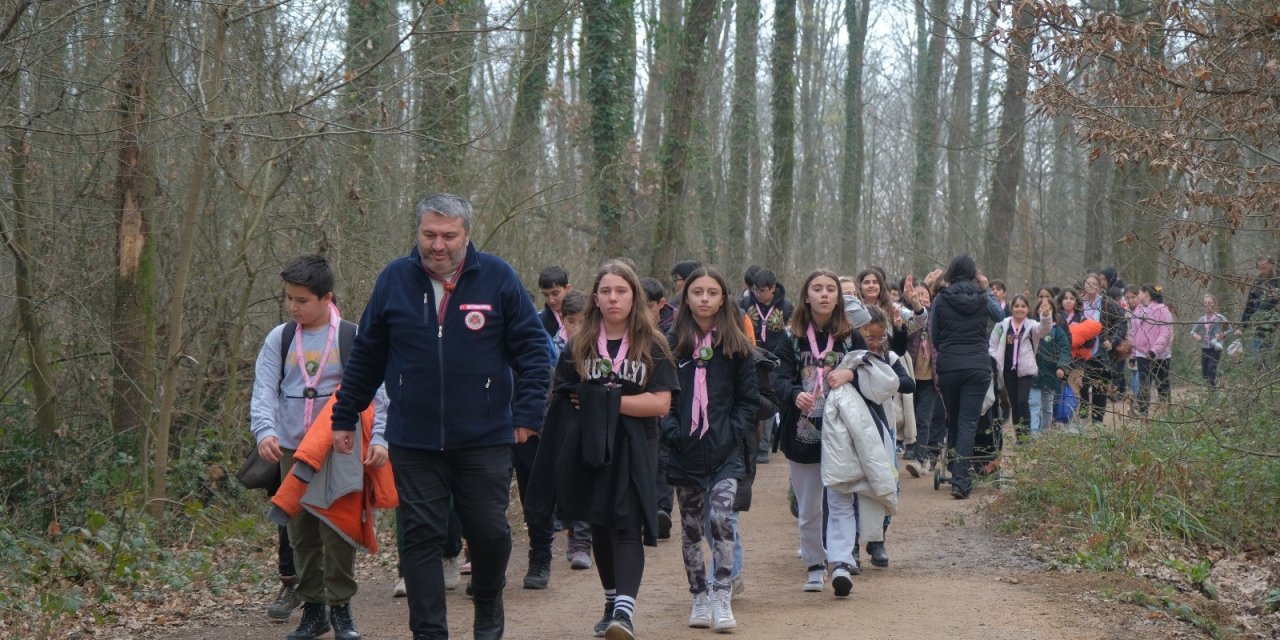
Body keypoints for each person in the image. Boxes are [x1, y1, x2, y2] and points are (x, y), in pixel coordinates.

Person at [329, 193, 552, 640]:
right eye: (429, 234)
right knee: (420, 536)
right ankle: (429, 633)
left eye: (448, 236)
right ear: (417, 232)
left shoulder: (498, 277)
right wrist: (344, 415)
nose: (438, 245)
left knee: (489, 531)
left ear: (466, 235)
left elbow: (534, 352)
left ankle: (487, 599)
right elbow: (367, 355)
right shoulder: (394, 280)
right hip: (414, 438)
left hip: (486, 435)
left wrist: (528, 413)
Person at [530, 259, 678, 640]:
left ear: (634, 296)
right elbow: (564, 397)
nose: (613, 298)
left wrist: (605, 401)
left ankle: (624, 613)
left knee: (626, 524)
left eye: (621, 291)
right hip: (588, 445)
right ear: (595, 297)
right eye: (606, 291)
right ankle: (611, 602)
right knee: (599, 523)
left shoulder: (653, 345)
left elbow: (660, 403)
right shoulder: (578, 345)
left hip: (635, 445)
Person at [250, 255, 389, 640]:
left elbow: (379, 393)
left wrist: (380, 438)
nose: (293, 307)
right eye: (288, 298)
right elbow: (264, 389)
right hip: (292, 450)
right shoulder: (279, 339)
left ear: (326, 297)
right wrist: (264, 431)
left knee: (339, 531)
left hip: (340, 449)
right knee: (301, 534)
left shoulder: (352, 336)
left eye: (302, 300)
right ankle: (314, 610)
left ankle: (342, 609)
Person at [661, 266, 758, 631]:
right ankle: (699, 596)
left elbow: (748, 401)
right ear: (686, 298)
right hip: (684, 451)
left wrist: (730, 432)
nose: (704, 298)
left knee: (721, 520)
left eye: (712, 293)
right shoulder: (669, 345)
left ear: (723, 299)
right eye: (697, 292)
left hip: (724, 452)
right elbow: (662, 398)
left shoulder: (737, 346)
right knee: (690, 529)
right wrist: (674, 433)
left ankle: (722, 593)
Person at [775, 269, 865, 591]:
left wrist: (850, 375)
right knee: (810, 506)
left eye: (830, 289)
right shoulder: (791, 337)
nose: (824, 294)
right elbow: (778, 379)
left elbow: (871, 370)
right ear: (806, 296)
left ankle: (841, 562)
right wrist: (793, 394)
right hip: (802, 433)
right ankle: (815, 564)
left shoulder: (851, 336)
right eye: (817, 288)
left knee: (841, 500)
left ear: (839, 298)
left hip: (841, 433)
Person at [822, 306, 915, 597]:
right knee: (848, 487)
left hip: (880, 429)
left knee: (883, 483)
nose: (873, 342)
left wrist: (873, 374)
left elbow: (908, 383)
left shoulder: (886, 359)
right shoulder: (845, 357)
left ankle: (877, 540)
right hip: (848, 432)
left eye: (879, 337)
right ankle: (849, 550)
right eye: (868, 336)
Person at [930, 255, 995, 499]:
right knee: (968, 422)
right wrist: (986, 288)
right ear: (973, 273)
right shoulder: (982, 297)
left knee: (955, 419)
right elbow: (1000, 317)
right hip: (977, 366)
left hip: (949, 366)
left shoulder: (941, 298)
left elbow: (935, 336)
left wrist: (948, 351)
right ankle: (960, 480)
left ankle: (955, 469)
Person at [740, 267, 793, 462]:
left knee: (770, 401)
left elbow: (790, 332)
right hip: (752, 359)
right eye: (755, 290)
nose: (758, 294)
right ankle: (752, 443)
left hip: (775, 361)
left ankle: (764, 448)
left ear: (772, 289)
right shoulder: (746, 304)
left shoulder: (786, 306)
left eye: (762, 290)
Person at [988, 295, 1052, 442]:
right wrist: (995, 361)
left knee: (1022, 401)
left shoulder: (1032, 326)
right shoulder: (1001, 326)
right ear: (1011, 308)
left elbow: (1044, 328)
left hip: (1025, 369)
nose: (1020, 309)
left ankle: (1026, 435)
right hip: (1007, 370)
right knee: (1015, 403)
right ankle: (1020, 437)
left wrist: (1046, 316)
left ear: (1028, 309)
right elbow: (993, 345)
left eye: (1023, 306)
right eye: (1016, 306)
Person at [1029, 292, 1070, 435]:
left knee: (1047, 406)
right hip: (1033, 374)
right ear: (1037, 311)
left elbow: (1065, 349)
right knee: (1034, 404)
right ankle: (1034, 434)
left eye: (1049, 308)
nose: (1045, 310)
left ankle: (1044, 433)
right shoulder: (1032, 328)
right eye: (1042, 308)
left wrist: (1061, 366)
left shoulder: (1057, 331)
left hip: (1050, 374)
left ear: (1054, 312)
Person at [1130, 284, 1174, 416]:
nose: (1138, 295)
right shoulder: (1137, 311)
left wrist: (1154, 351)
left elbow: (1165, 333)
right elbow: (1134, 333)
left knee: (1162, 384)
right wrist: (1133, 354)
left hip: (1161, 356)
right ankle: (1143, 413)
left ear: (1146, 293)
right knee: (1144, 383)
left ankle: (1166, 413)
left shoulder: (1163, 311)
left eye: (1139, 292)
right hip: (1142, 354)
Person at [1239, 256, 1279, 366]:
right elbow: (1250, 306)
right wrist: (1242, 326)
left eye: (1264, 268)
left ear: (1271, 265)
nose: (1262, 271)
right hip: (1260, 323)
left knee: (1270, 354)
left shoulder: (1278, 279)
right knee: (1257, 353)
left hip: (1276, 323)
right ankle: (1261, 372)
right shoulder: (1257, 283)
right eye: (1259, 268)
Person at [1189, 294, 1229, 387]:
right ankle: (1218, 381)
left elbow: (1229, 329)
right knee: (1205, 374)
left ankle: (1213, 392)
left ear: (1214, 304)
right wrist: (1195, 335)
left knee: (1211, 371)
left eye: (1209, 303)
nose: (1207, 305)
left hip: (1215, 347)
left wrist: (1221, 335)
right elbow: (1192, 331)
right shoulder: (1202, 319)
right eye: (1205, 303)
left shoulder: (1220, 317)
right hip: (1204, 348)